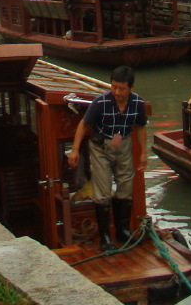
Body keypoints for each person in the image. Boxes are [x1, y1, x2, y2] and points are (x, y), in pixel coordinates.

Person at [67, 66, 147, 251]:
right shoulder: (100, 102)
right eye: (114, 88)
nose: (117, 93)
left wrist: (143, 152)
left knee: (126, 185)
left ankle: (123, 230)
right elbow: (84, 124)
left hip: (123, 143)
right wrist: (75, 149)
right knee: (102, 189)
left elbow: (141, 127)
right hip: (100, 147)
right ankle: (104, 236)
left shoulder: (138, 104)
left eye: (122, 89)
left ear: (131, 88)